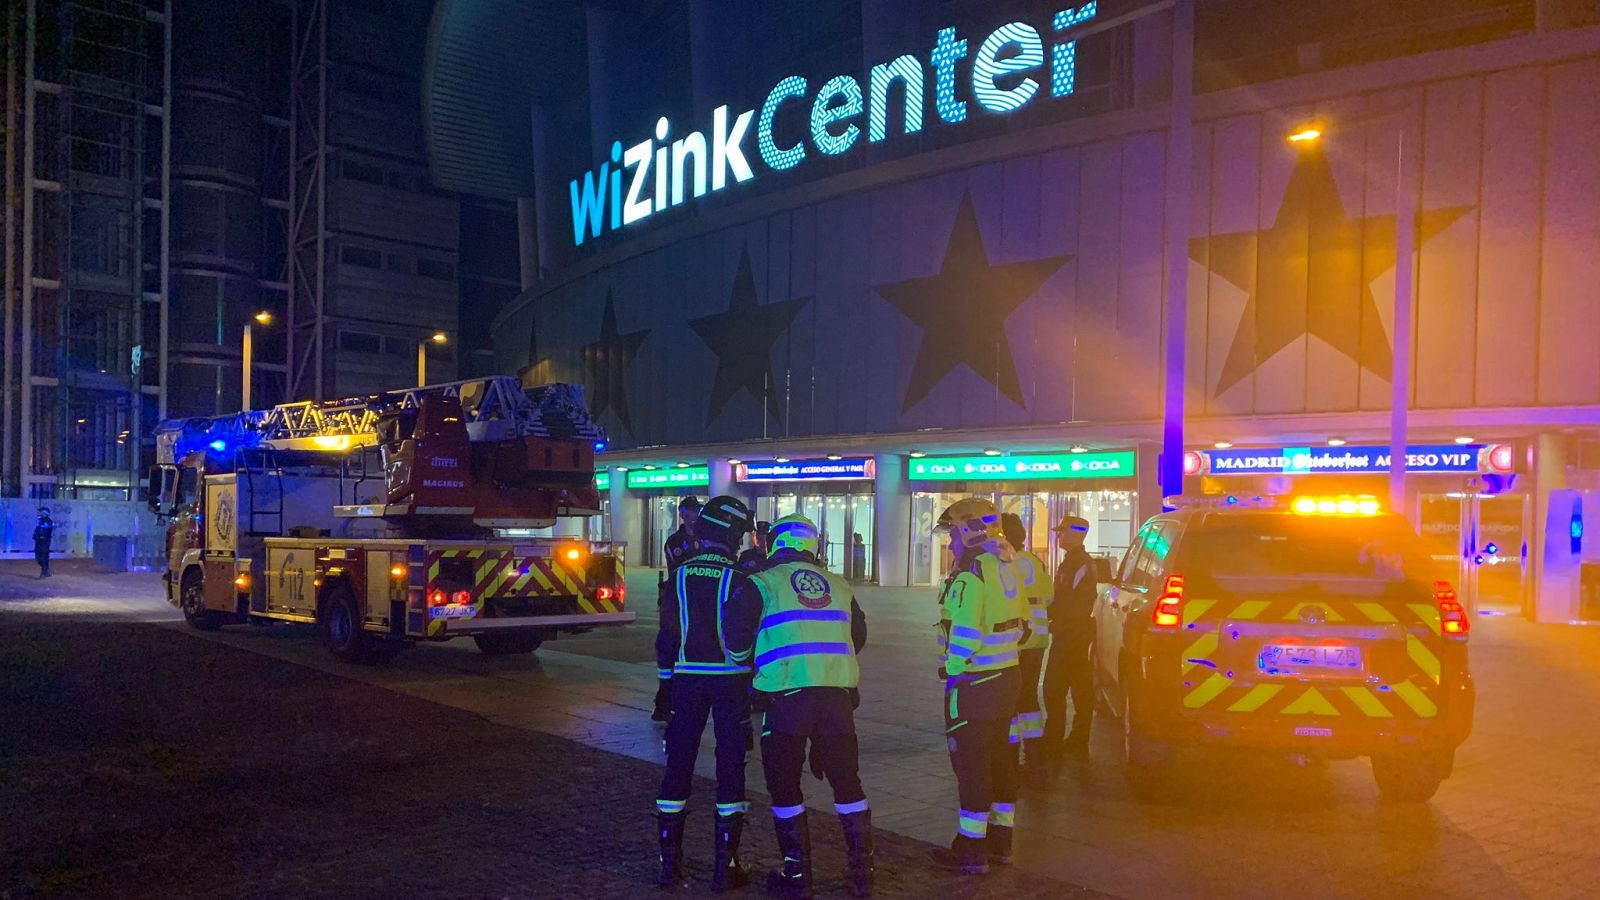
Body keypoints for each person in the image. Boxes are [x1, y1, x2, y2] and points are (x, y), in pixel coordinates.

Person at [742, 514, 872, 897]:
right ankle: (862, 873)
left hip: (786, 700)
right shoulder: (839, 584)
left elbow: (736, 640)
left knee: (784, 785)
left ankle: (797, 876)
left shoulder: (763, 582)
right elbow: (859, 635)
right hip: (836, 700)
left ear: (774, 543)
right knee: (847, 782)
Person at [654, 495, 761, 891]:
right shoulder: (740, 579)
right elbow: (745, 637)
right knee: (731, 765)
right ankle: (725, 867)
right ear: (731, 535)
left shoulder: (679, 576)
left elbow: (666, 638)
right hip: (730, 683)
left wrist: (665, 685)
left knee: (677, 764)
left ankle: (669, 865)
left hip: (686, 681)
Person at [929, 498, 1028, 875]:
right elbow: (1023, 625)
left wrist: (952, 668)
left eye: (952, 535)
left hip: (974, 685)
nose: (950, 542)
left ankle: (971, 849)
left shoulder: (971, 574)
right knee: (1002, 763)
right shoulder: (1006, 565)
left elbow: (966, 633)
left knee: (972, 766)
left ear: (968, 532)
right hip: (1007, 678)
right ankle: (1001, 843)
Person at [1042, 514, 1098, 760]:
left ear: (1075, 535)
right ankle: (1075, 738)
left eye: (1062, 532)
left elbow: (1073, 603)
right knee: (1078, 687)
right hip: (1074, 633)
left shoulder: (1079, 564)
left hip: (1071, 635)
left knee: (1055, 688)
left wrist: (1056, 621)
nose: (1059, 536)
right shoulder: (1074, 562)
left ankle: (1055, 740)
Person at [1000, 513, 1051, 773]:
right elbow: (1050, 596)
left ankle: (1009, 755)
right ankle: (1035, 753)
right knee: (1029, 696)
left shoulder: (1004, 563)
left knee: (1009, 698)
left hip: (1016, 640)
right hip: (1038, 639)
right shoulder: (1034, 561)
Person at [655, 496, 704, 723]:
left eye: (696, 510)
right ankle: (664, 703)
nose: (694, 515)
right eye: (690, 511)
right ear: (682, 514)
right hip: (679, 601)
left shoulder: (705, 538)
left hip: (699, 603)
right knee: (671, 652)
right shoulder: (674, 541)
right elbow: (682, 568)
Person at [33, 506, 54, 578]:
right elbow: (38, 530)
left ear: (44, 513)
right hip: (39, 541)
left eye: (40, 512)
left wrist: (41, 536)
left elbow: (45, 531)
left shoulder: (48, 521)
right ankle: (46, 570)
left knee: (43, 557)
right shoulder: (39, 521)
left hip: (44, 541)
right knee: (38, 558)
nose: (39, 513)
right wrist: (35, 536)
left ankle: (44, 572)